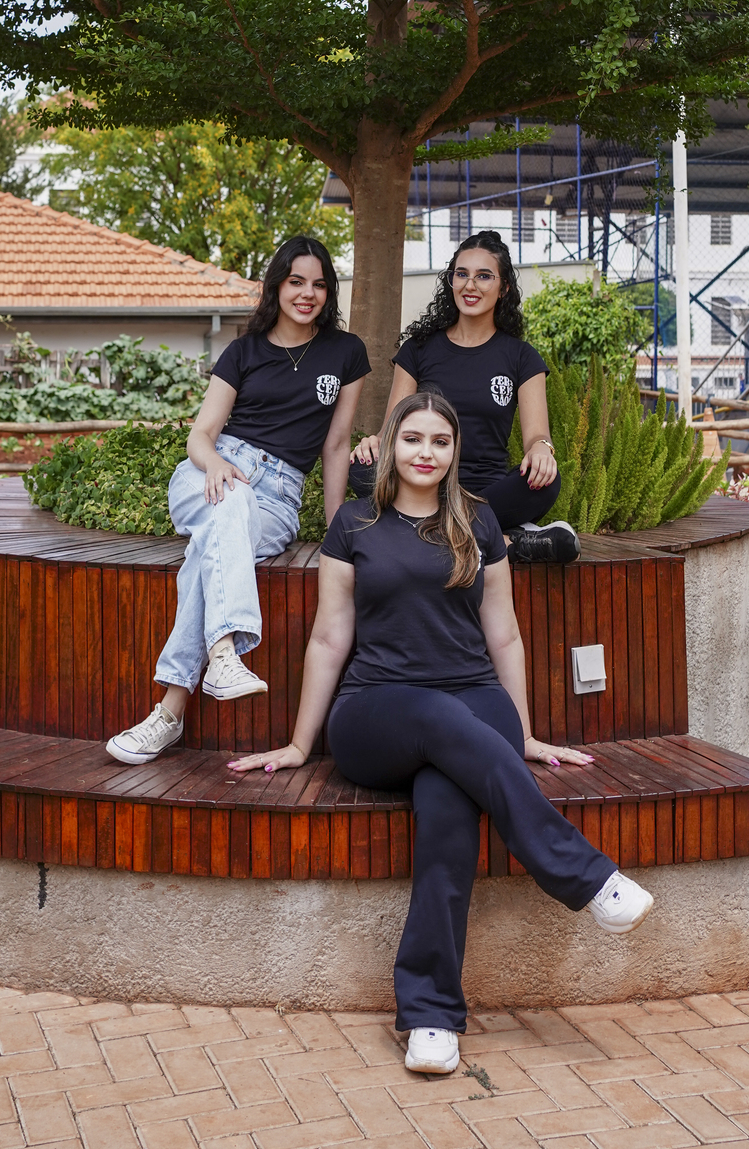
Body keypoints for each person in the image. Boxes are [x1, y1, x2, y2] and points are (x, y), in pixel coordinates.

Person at [228, 390, 654, 1074]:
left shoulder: (479, 520)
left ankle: (430, 1018)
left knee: (450, 809)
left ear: (455, 452)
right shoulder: (354, 523)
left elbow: (503, 633)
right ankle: (587, 876)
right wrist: (301, 744)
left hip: (474, 701)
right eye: (413, 438)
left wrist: (524, 733)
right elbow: (330, 638)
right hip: (376, 711)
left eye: (440, 441)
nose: (425, 452)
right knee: (437, 717)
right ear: (391, 445)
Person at [106, 236, 369, 765]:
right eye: (296, 282)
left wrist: (336, 525)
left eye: (319, 284)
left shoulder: (346, 352)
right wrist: (217, 464)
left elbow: (336, 444)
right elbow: (200, 435)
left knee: (210, 549)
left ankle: (170, 713)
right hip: (212, 472)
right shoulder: (243, 351)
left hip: (278, 498)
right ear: (277, 286)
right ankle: (223, 653)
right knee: (228, 503)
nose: (308, 294)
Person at [351, 228, 576, 560]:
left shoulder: (522, 357)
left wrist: (542, 448)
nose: (470, 285)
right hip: (423, 479)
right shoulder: (418, 350)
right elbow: (393, 430)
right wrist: (374, 442)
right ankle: (508, 543)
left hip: (489, 490)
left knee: (545, 480)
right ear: (451, 281)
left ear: (504, 288)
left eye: (484, 276)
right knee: (361, 468)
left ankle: (428, 529)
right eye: (462, 274)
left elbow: (536, 434)